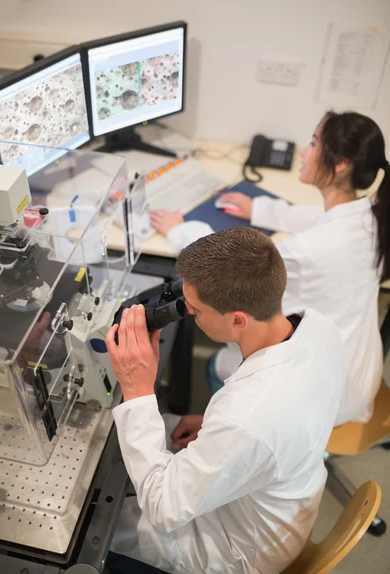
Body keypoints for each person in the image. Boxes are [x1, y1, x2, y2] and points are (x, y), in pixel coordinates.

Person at [105, 228, 346, 574]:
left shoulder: (248, 417)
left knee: (104, 523)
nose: (190, 316)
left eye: (196, 310)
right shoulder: (318, 327)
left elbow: (161, 507)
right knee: (167, 432)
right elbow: (283, 416)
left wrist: (137, 389)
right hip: (283, 493)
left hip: (244, 550)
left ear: (237, 319)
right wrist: (216, 430)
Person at [150, 111, 390, 426]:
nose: (304, 153)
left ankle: (236, 434)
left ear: (341, 163)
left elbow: (225, 263)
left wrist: (178, 229)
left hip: (325, 396)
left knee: (218, 363)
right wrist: (262, 210)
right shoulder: (373, 217)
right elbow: (318, 217)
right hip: (360, 374)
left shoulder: (307, 251)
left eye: (314, 143)